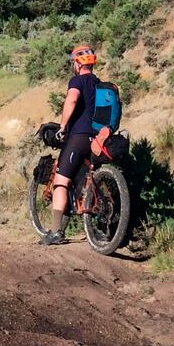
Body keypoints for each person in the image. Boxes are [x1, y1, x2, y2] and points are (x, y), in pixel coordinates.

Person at [41, 44, 99, 246]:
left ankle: (56, 232)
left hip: (80, 136)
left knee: (61, 181)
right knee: (81, 177)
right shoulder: (99, 83)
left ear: (77, 63)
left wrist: (63, 125)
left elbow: (72, 100)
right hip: (98, 137)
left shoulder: (78, 80)